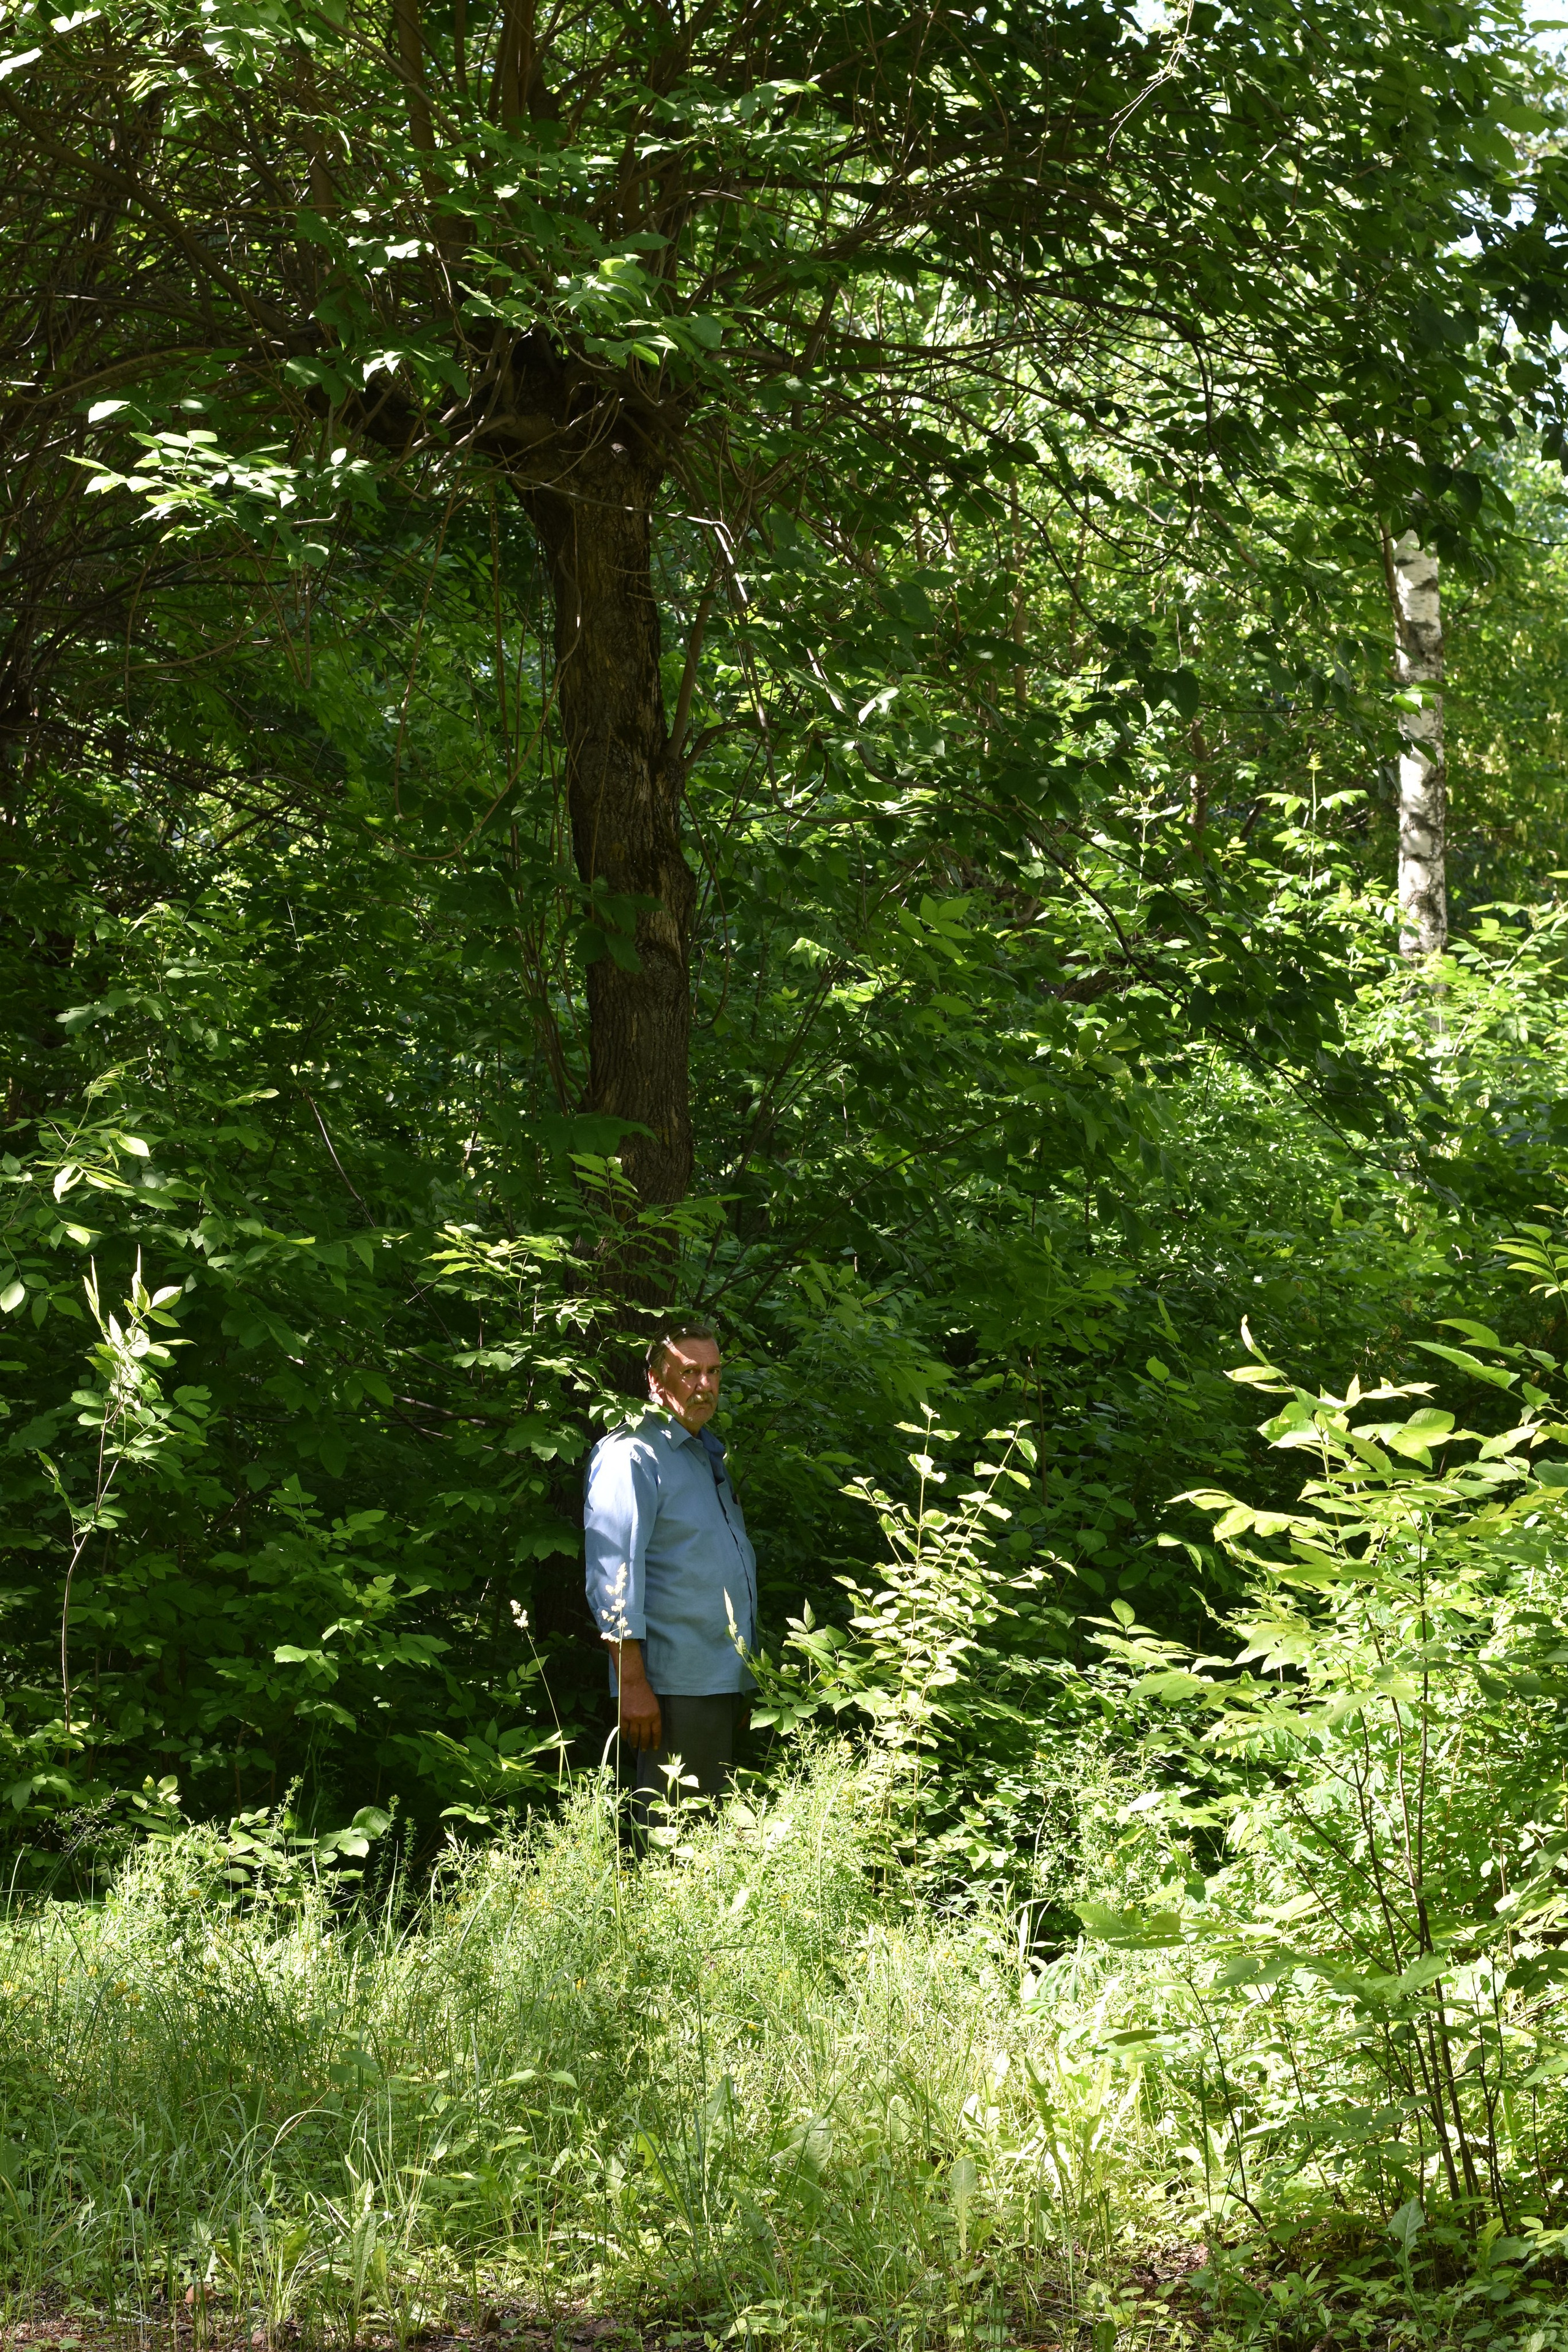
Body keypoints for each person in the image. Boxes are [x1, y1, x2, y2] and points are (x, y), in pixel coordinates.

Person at [582, 1318, 758, 1826]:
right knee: (674, 1835)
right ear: (655, 1380)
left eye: (713, 1372)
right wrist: (633, 1683)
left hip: (720, 1677)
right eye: (689, 1372)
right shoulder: (631, 1454)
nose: (705, 1385)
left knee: (710, 1831)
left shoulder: (702, 1453)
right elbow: (613, 1574)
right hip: (675, 1683)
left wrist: (745, 1675)